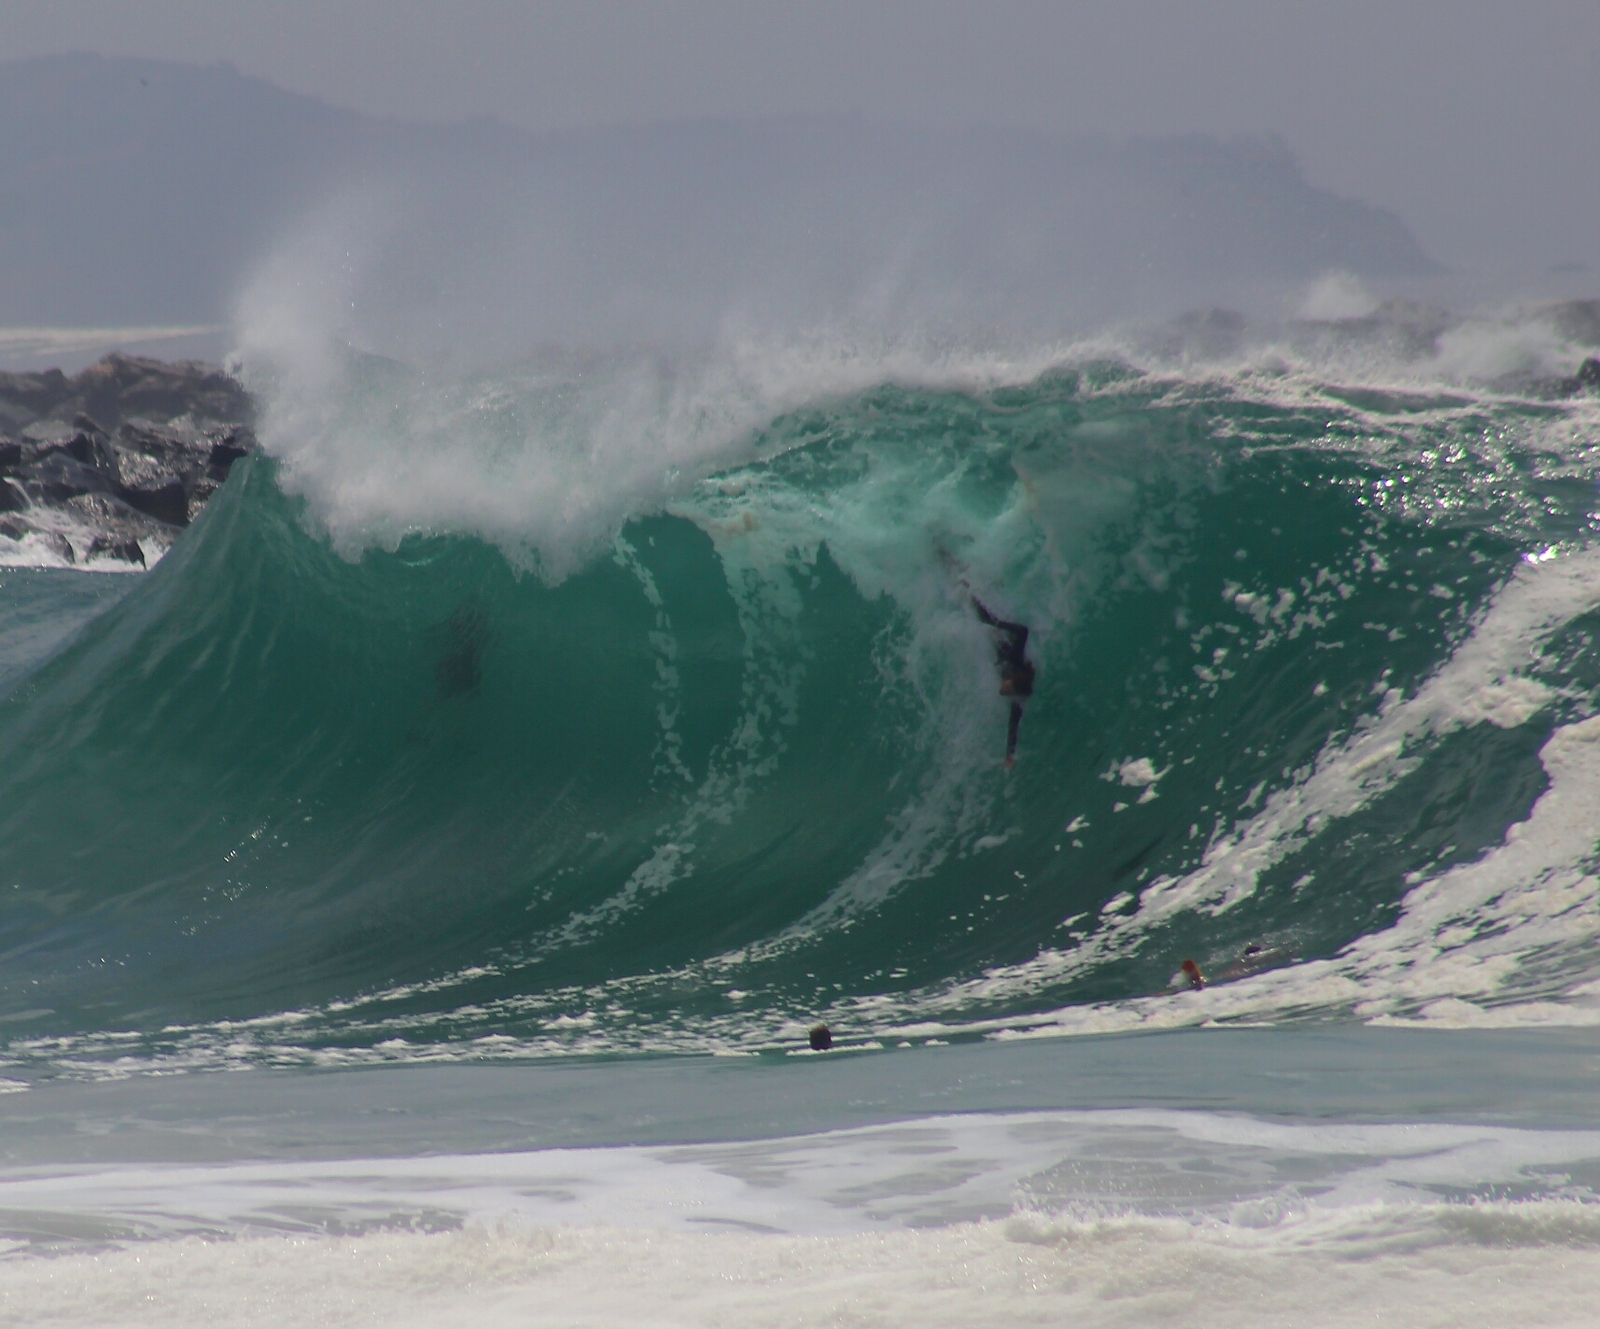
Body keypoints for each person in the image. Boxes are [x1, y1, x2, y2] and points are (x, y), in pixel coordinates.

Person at [972, 596, 1035, 767]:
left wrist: (1009, 755)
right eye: (1008, 687)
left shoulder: (1016, 701)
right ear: (1012, 680)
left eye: (1008, 691)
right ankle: (967, 587)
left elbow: (1013, 727)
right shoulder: (1015, 660)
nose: (1004, 690)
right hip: (1000, 637)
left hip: (997, 650)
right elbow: (1024, 631)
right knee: (982, 616)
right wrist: (998, 623)